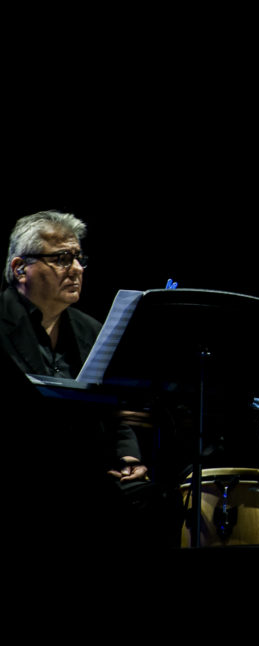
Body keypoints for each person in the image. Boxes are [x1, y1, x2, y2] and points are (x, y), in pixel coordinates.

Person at [3, 210, 152, 542]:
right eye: (61, 258)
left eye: (79, 258)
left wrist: (128, 456)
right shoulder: (1, 323)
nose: (77, 269)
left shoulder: (92, 331)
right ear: (20, 268)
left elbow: (115, 407)